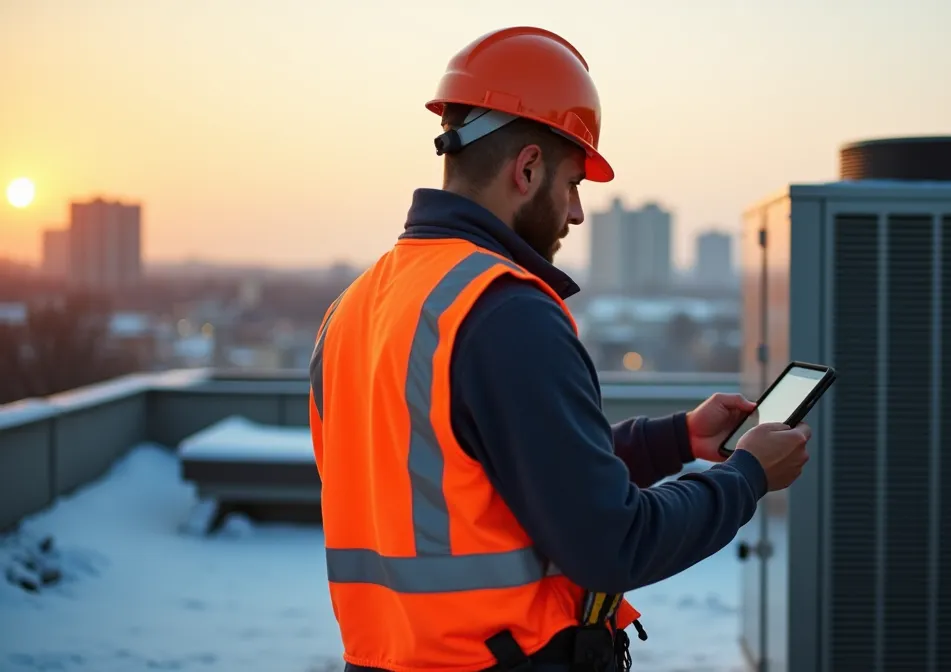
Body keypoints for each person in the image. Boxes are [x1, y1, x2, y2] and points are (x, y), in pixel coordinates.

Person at [308, 26, 813, 672]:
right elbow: (613, 542)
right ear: (527, 169)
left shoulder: (354, 308)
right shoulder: (504, 312)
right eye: (573, 184)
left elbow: (490, 477)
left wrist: (676, 439)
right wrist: (748, 477)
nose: (575, 213)